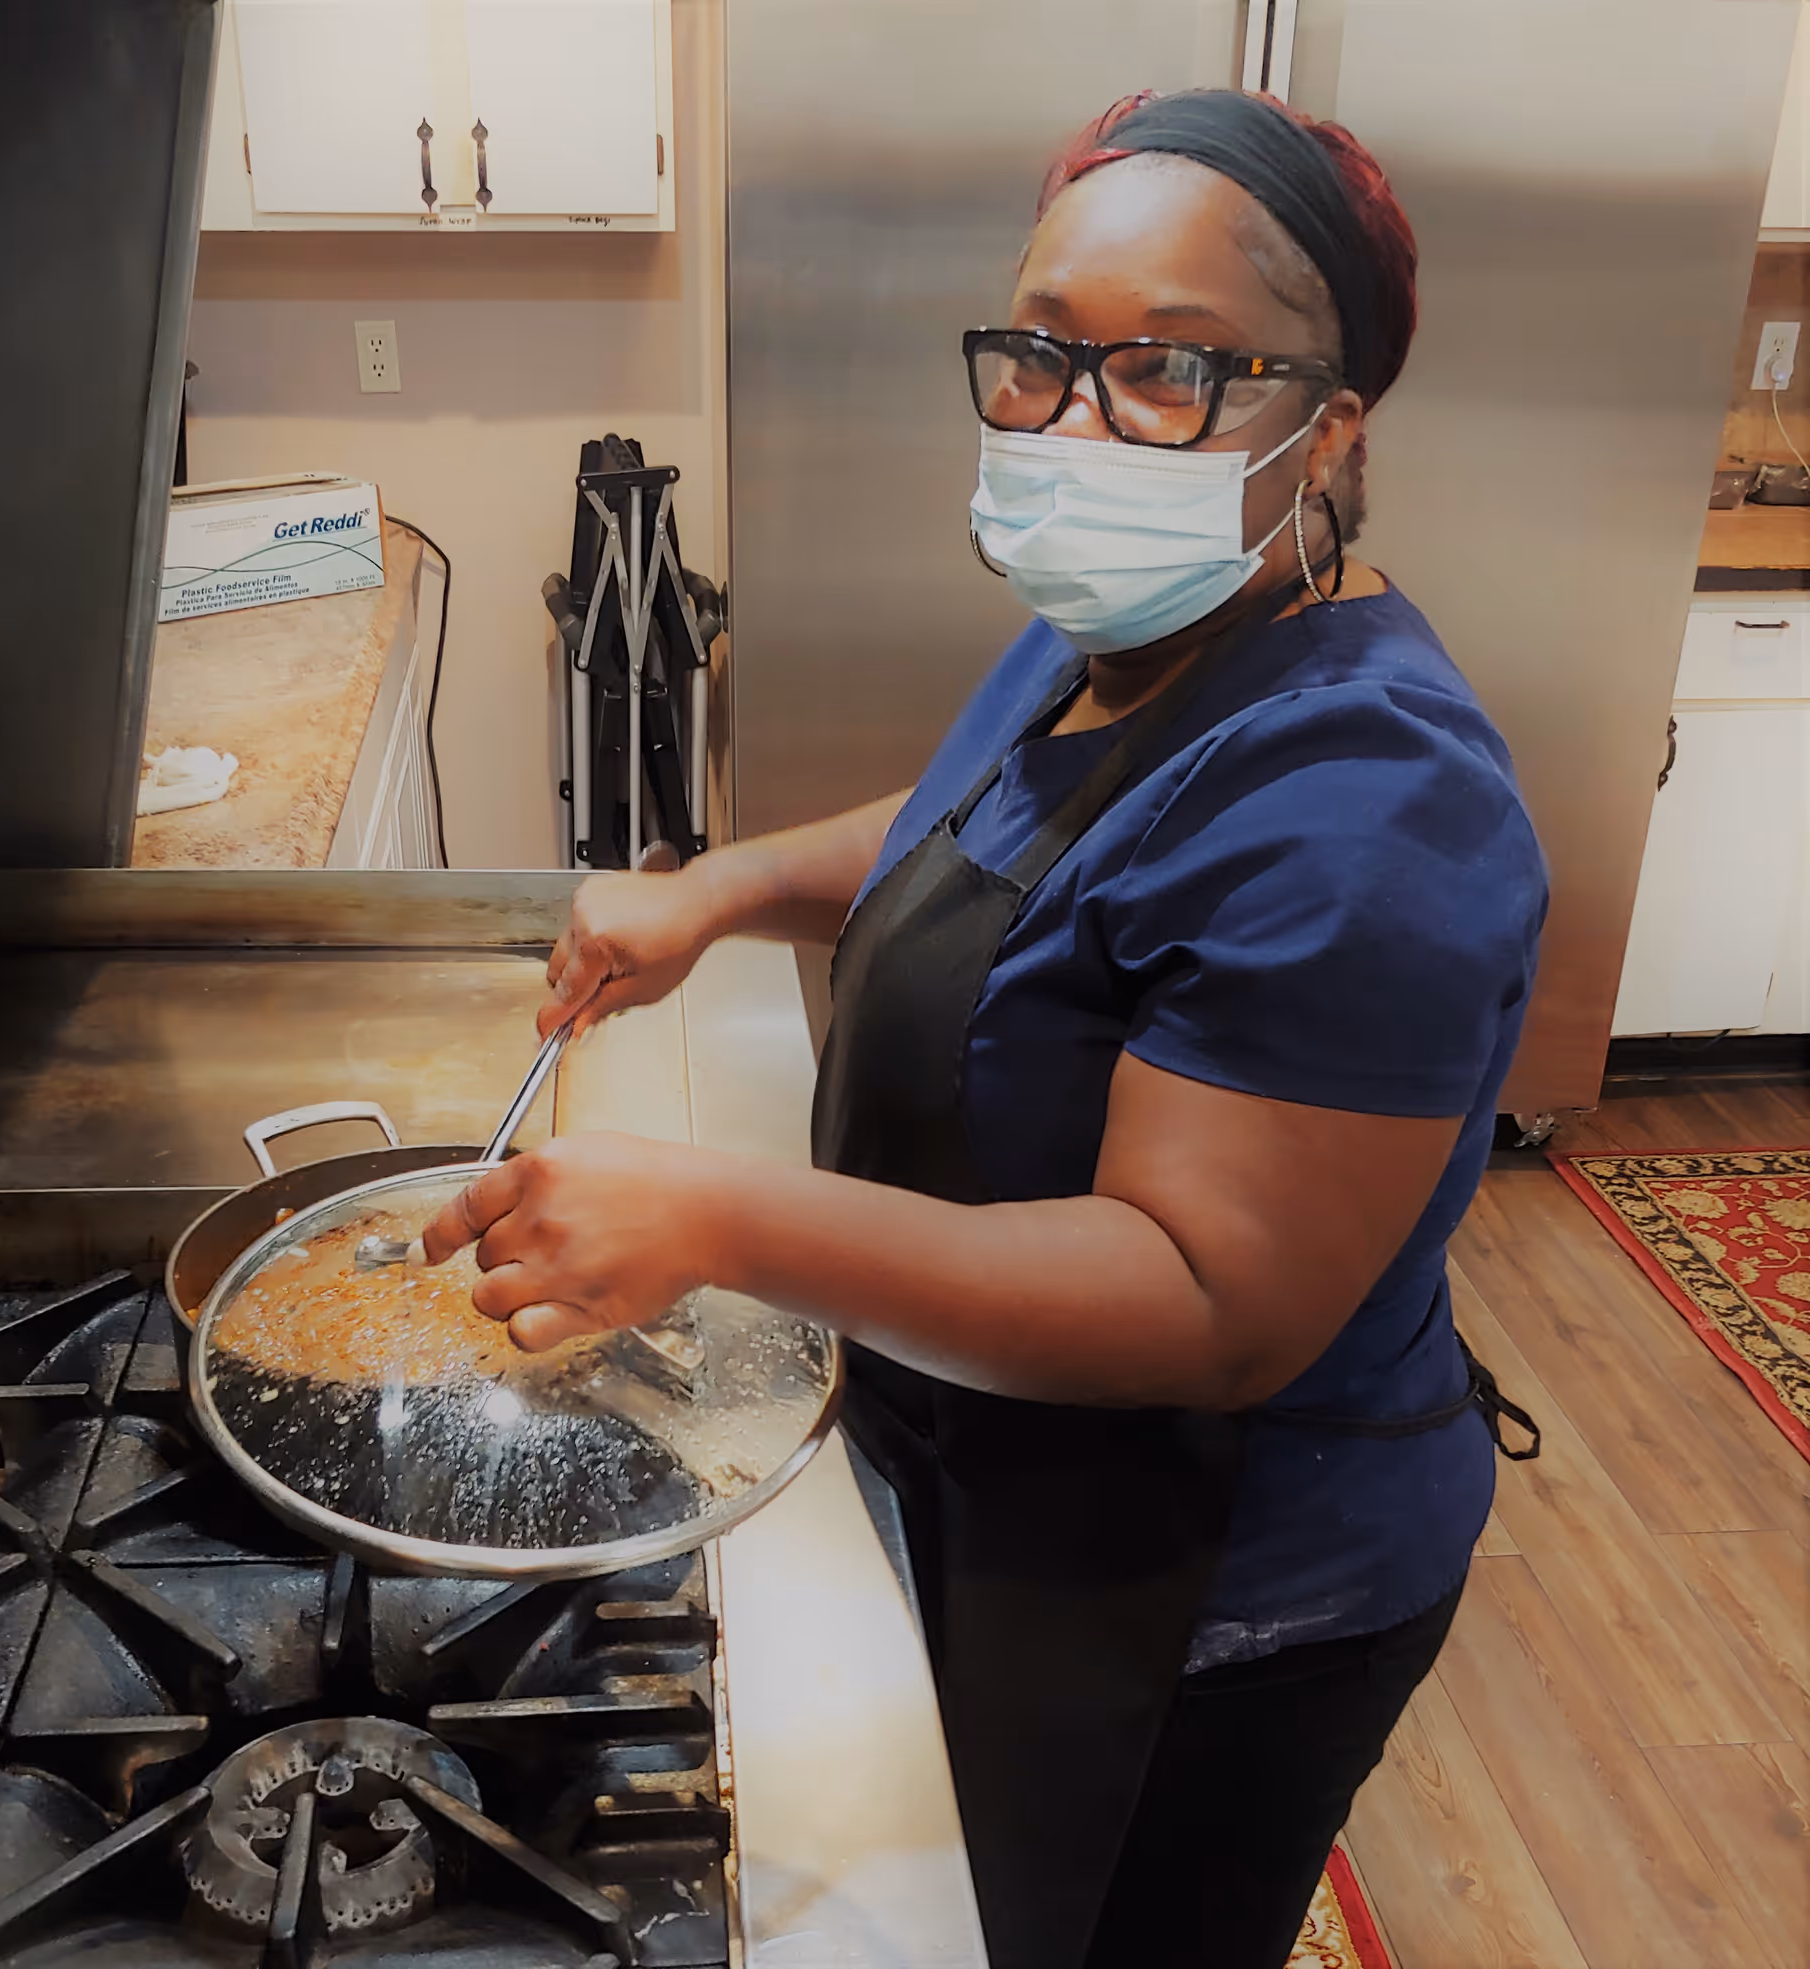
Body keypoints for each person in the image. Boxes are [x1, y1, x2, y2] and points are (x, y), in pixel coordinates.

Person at [425, 87, 1548, 1969]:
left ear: (1325, 426)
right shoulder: (1121, 635)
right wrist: (720, 883)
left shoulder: (1377, 803)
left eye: (1171, 371)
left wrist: (720, 1221)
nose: (1076, 420)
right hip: (1002, 1469)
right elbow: (991, 834)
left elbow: (1206, 1297)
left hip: (1210, 1592)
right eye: (1038, 355)